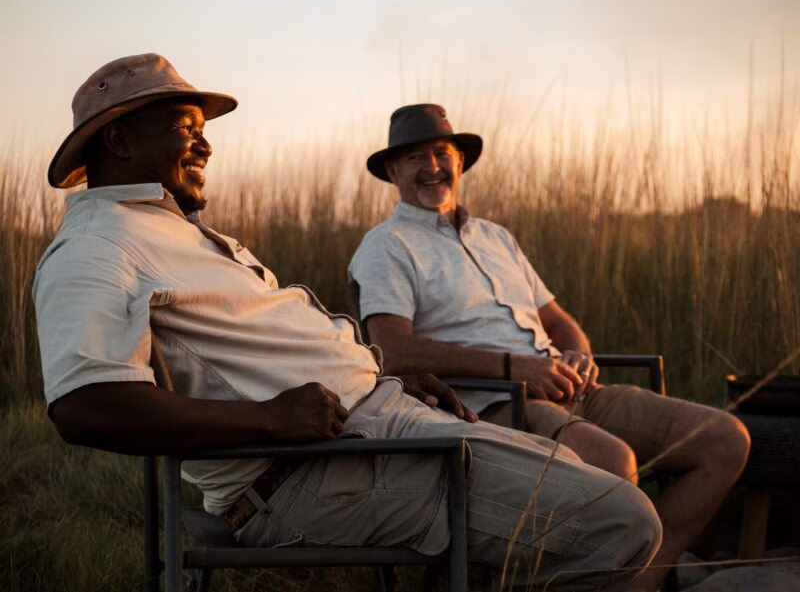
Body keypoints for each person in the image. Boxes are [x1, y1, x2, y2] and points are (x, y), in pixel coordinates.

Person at [34, 55, 661, 591]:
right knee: (624, 523)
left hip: (376, 424)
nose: (206, 144)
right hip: (310, 474)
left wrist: (376, 377)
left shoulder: (174, 233)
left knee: (603, 480)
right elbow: (85, 405)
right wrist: (270, 420)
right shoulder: (98, 246)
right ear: (118, 140)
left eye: (203, 131)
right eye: (185, 128)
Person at [348, 103, 751, 591]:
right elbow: (393, 350)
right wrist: (513, 368)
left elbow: (558, 321)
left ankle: (640, 581)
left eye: (441, 152)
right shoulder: (387, 245)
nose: (432, 167)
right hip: (489, 405)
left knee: (724, 438)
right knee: (611, 462)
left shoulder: (495, 236)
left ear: (459, 161)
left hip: (564, 385)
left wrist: (578, 350)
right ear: (393, 171)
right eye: (415, 158)